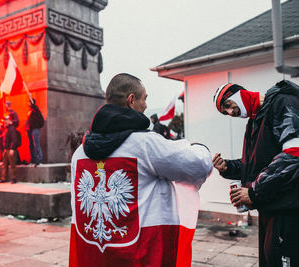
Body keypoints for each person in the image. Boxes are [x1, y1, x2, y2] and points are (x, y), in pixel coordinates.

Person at [69, 73, 213, 266]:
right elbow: (197, 165)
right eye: (144, 98)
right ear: (131, 100)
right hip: (139, 257)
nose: (145, 105)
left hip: (97, 256)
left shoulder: (80, 153)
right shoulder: (145, 145)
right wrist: (200, 148)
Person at [212, 81, 299, 267]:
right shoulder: (254, 120)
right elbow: (254, 166)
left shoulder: (282, 102)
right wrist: (227, 167)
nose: (230, 113)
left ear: (238, 93)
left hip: (289, 210)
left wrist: (253, 192)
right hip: (270, 207)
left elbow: (294, 154)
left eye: (227, 105)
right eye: (224, 112)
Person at [0, 116, 18, 184]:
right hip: (6, 149)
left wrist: (13, 148)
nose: (4, 122)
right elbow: (4, 137)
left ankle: (14, 178)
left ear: (9, 120)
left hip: (10, 149)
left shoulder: (12, 128)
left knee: (12, 164)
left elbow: (14, 139)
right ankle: (4, 178)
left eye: (5, 120)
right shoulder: (7, 128)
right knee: (5, 164)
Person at [26, 98, 44, 166]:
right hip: (29, 130)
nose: (28, 104)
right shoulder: (29, 111)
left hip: (35, 129)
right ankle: (32, 160)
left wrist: (34, 106)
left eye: (29, 102)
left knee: (36, 144)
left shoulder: (35, 110)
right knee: (31, 145)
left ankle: (39, 159)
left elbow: (39, 116)